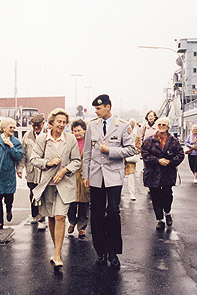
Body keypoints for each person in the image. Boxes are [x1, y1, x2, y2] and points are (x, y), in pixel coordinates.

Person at [83, 94, 135, 269]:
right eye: (95, 109)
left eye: (98, 108)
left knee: (112, 212)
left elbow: (131, 150)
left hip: (113, 176)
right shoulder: (92, 126)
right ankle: (100, 251)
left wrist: (110, 150)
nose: (96, 112)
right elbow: (87, 154)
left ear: (107, 107)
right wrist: (85, 175)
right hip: (96, 175)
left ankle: (113, 252)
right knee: (96, 214)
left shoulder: (123, 126)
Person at [30, 108, 81, 267]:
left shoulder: (70, 139)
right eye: (59, 121)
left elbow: (76, 161)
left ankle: (58, 254)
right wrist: (48, 163)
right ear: (51, 123)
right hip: (47, 185)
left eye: (64, 122)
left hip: (65, 184)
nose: (62, 124)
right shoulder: (43, 139)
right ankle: (55, 249)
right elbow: (33, 159)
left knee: (60, 217)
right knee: (51, 218)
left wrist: (65, 170)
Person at [141, 117, 184, 231]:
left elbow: (180, 154)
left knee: (167, 194)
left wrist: (170, 162)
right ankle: (160, 220)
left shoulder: (174, 141)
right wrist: (157, 160)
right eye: (159, 124)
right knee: (155, 197)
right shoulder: (149, 140)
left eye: (163, 125)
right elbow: (144, 154)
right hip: (153, 173)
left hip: (167, 173)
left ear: (168, 127)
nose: (161, 127)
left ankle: (167, 212)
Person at [0, 118, 23, 230]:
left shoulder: (15, 142)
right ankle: (0, 221)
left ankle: (9, 209)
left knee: (9, 197)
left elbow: (19, 156)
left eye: (13, 128)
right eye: (10, 127)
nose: (12, 129)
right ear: (3, 128)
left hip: (8, 175)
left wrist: (11, 146)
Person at [16, 113, 48, 230]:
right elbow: (23, 154)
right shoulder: (27, 136)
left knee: (43, 195)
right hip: (31, 171)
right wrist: (20, 168)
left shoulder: (48, 135)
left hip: (44, 170)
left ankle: (42, 219)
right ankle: (34, 215)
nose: (36, 128)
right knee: (33, 193)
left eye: (38, 125)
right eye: (34, 125)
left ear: (43, 124)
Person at [67, 119, 90, 238]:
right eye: (74, 131)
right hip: (71, 177)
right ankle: (71, 221)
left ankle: (81, 227)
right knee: (71, 203)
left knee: (84, 204)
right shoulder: (69, 143)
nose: (77, 133)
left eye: (79, 130)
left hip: (85, 176)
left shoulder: (89, 143)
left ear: (84, 130)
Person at [124, 118, 140, 201]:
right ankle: (118, 192)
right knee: (120, 177)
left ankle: (132, 193)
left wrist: (133, 151)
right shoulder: (122, 135)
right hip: (122, 159)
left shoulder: (136, 136)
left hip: (131, 160)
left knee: (131, 176)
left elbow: (138, 147)